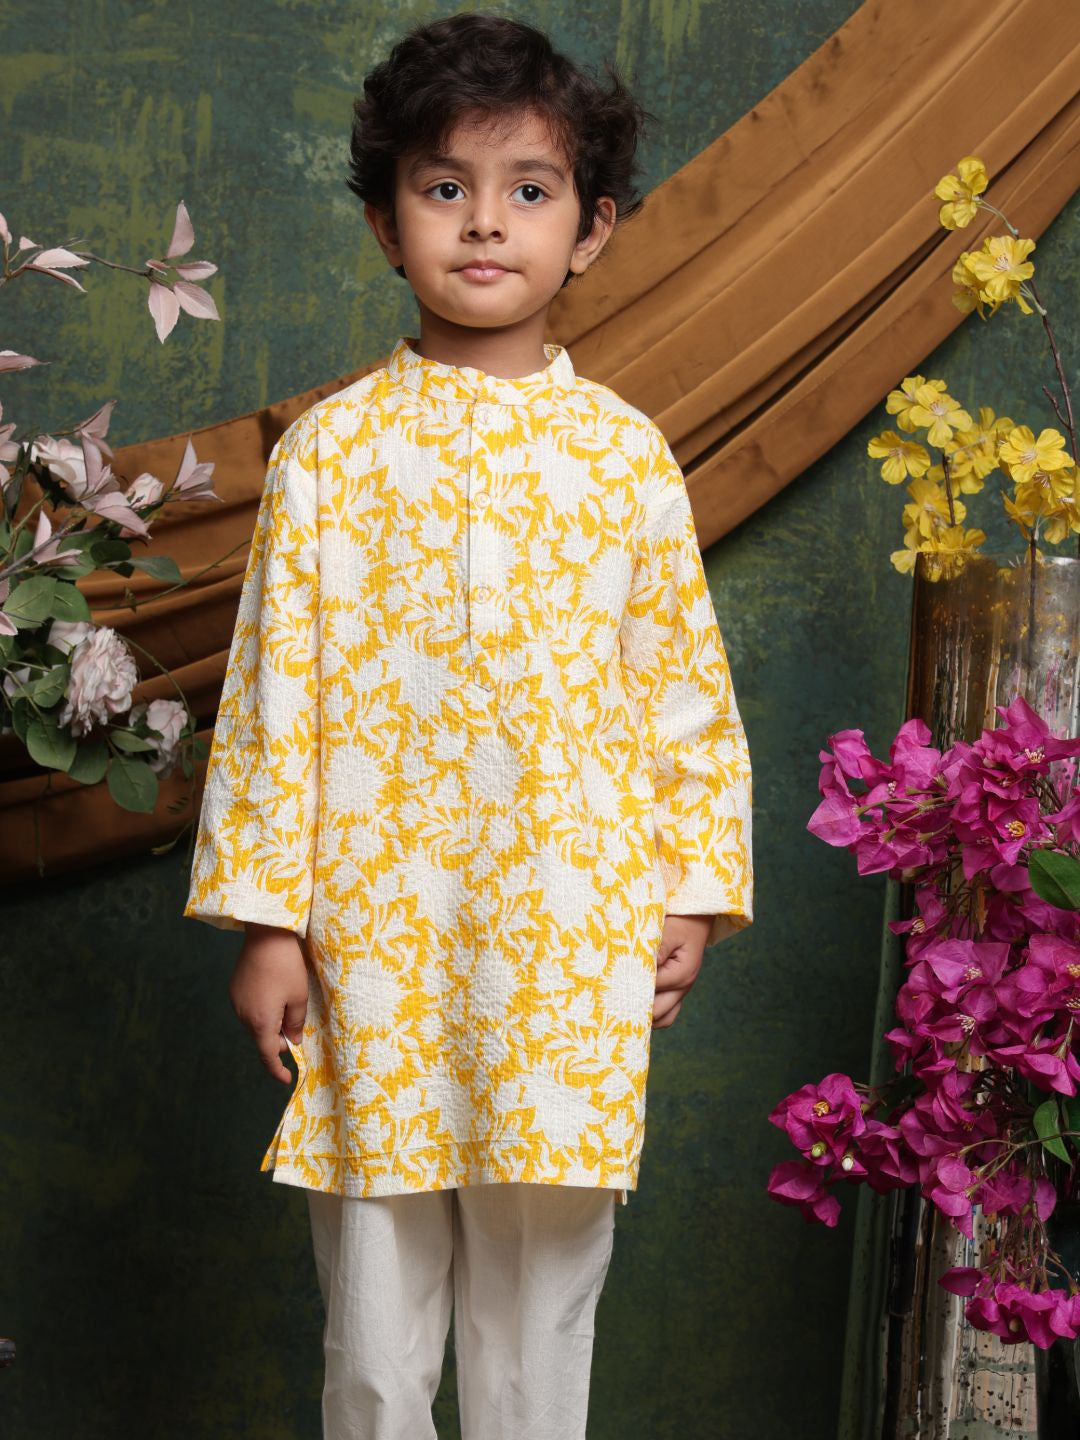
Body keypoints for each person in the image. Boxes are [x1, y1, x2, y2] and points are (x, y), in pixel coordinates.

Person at [182, 11, 753, 1439]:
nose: (486, 224)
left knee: (539, 1328)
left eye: (531, 190)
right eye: (445, 189)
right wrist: (267, 923)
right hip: (374, 936)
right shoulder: (333, 451)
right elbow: (272, 696)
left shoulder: (624, 457)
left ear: (594, 228)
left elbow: (683, 690)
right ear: (386, 224)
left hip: (567, 937)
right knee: (376, 1341)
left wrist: (693, 891)